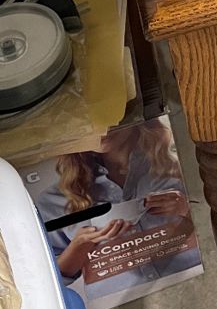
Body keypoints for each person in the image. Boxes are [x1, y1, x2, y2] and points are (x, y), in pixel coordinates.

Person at [38, 118, 200, 299]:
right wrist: (80, 245)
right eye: (84, 122)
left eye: (105, 116)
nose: (96, 128)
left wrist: (186, 208)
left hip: (198, 286)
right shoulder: (53, 201)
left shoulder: (181, 165)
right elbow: (51, 280)